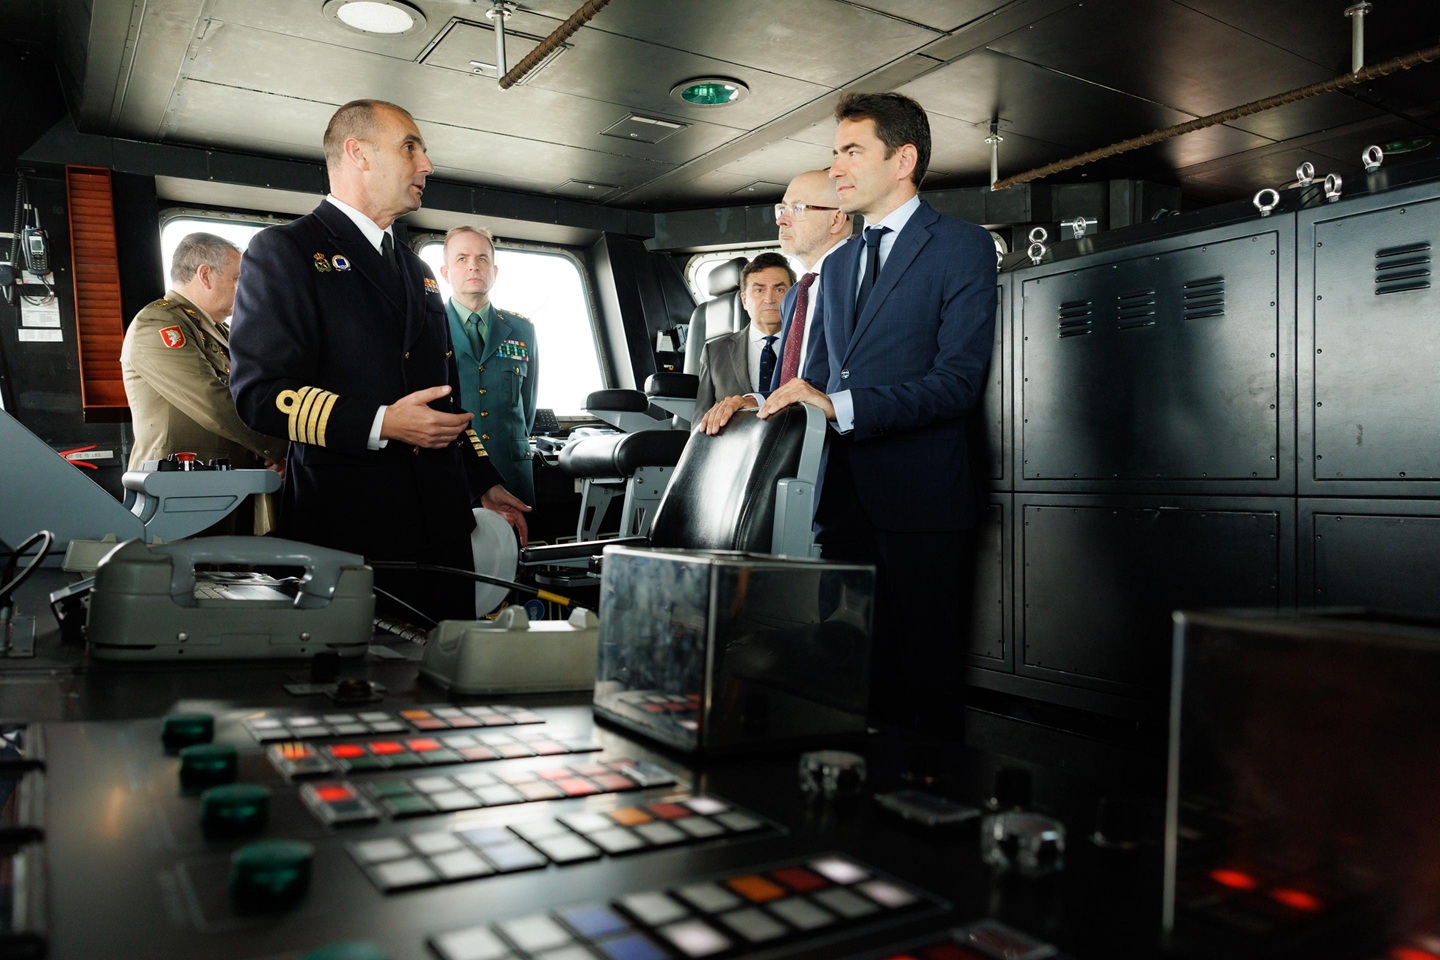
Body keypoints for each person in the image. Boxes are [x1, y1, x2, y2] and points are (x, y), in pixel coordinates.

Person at [733, 92, 998, 731]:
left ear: (903, 159)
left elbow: (957, 384)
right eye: (834, 153)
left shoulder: (961, 247)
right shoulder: (840, 261)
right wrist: (757, 403)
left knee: (925, 685)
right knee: (851, 679)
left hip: (923, 501)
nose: (838, 169)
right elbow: (816, 379)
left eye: (852, 152)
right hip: (846, 501)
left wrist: (839, 404)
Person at [228, 99, 530, 622]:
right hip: (350, 527)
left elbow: (447, 397)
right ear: (358, 153)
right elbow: (259, 393)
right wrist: (384, 422)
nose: (427, 165)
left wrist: (483, 481)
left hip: (442, 526)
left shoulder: (419, 272)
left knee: (446, 673)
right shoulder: (287, 251)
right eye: (410, 147)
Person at [121, 232, 286, 534]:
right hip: (180, 488)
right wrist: (279, 449)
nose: (244, 287)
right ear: (206, 275)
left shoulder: (218, 332)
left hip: (223, 483)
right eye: (237, 278)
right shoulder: (158, 324)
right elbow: (213, 401)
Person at [696, 171, 852, 430]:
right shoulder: (796, 297)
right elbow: (793, 389)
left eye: (798, 208)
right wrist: (751, 401)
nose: (782, 220)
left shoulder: (861, 281)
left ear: (836, 219)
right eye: (782, 208)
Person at [439, 225, 539, 506]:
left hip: (511, 471)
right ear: (446, 273)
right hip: (453, 471)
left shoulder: (522, 330)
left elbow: (526, 407)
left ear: (494, 271)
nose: (474, 267)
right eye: (462, 259)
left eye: (482, 259)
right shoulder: (428, 327)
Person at [692, 252, 793, 421]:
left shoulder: (808, 346)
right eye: (759, 290)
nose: (769, 299)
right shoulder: (714, 352)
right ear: (745, 300)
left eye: (779, 289)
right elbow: (701, 420)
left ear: (793, 296)